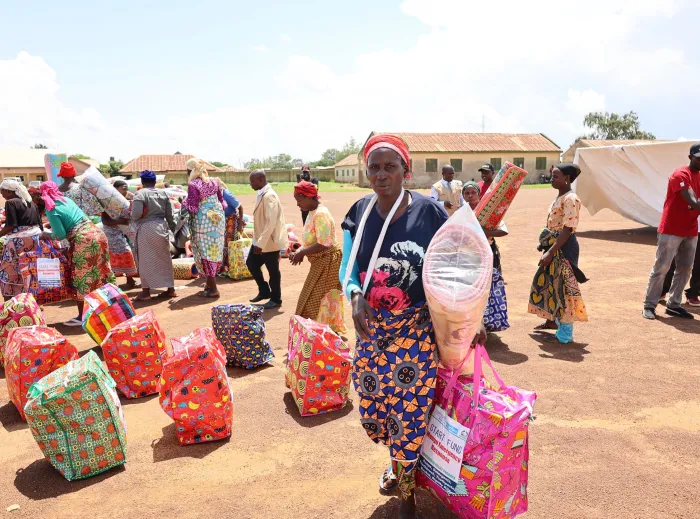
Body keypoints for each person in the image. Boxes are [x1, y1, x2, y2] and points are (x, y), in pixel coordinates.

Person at [340, 134, 479, 519]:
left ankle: (406, 495)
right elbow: (347, 266)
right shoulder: (360, 212)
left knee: (409, 414)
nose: (381, 175)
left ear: (407, 171)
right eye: (374, 168)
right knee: (375, 411)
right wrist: (354, 295)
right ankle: (401, 463)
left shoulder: (430, 213)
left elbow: (455, 265)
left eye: (390, 167)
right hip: (371, 332)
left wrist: (467, 315)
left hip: (413, 332)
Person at [39, 181, 115, 325]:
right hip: (97, 234)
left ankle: (82, 317)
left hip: (84, 240)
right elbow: (72, 218)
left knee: (82, 277)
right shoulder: (66, 199)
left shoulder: (50, 208)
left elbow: (60, 235)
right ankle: (109, 308)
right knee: (102, 273)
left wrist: (45, 234)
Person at [528, 163, 588, 343]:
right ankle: (552, 320)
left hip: (564, 247)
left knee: (564, 287)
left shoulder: (571, 199)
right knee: (550, 283)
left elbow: (567, 229)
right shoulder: (560, 197)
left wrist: (551, 252)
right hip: (554, 245)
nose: (552, 179)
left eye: (556, 176)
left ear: (567, 179)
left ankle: (566, 330)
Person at [642, 143, 700, 319]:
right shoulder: (680, 175)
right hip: (671, 229)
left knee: (685, 268)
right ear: (690, 158)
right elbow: (692, 201)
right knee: (662, 267)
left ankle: (674, 304)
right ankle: (649, 305)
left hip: (691, 229)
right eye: (699, 158)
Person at [290, 181, 346, 335]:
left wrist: (302, 253)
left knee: (319, 300)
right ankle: (322, 332)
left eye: (299, 200)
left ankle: (322, 334)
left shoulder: (321, 214)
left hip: (328, 261)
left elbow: (325, 243)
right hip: (320, 261)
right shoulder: (312, 212)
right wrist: (300, 249)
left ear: (307, 197)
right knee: (314, 298)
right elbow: (313, 239)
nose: (297, 204)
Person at [462, 181, 509, 331]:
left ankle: (487, 321)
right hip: (467, 257)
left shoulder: (489, 212)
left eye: (473, 193)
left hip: (486, 254)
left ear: (479, 194)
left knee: (487, 287)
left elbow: (503, 231)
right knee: (470, 289)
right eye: (467, 193)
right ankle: (473, 323)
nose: (470, 196)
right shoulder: (460, 213)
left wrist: (481, 231)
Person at [131, 170, 177, 301]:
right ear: (155, 182)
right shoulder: (163, 194)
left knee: (145, 260)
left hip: (146, 228)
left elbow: (136, 215)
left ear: (142, 182)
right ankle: (170, 289)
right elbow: (170, 216)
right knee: (165, 258)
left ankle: (146, 292)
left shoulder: (140, 194)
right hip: (162, 227)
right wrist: (174, 231)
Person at [183, 158, 226, 298]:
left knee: (204, 253)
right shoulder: (214, 181)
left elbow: (193, 207)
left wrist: (183, 202)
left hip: (203, 222)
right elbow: (222, 202)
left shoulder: (193, 184)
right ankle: (208, 285)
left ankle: (213, 288)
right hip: (218, 221)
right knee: (214, 250)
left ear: (190, 170)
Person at [0, 179, 48, 299]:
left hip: (18, 243)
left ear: (8, 191)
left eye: (2, 192)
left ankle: (11, 304)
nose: (1, 195)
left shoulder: (11, 202)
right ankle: (30, 301)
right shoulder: (31, 203)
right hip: (34, 241)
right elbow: (39, 223)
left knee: (9, 272)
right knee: (28, 272)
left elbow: (11, 225)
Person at [247, 170, 287, 310]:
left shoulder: (269, 196)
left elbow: (271, 222)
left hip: (269, 241)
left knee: (273, 271)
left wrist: (261, 243)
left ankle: (276, 299)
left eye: (252, 181)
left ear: (261, 179)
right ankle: (264, 290)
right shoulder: (262, 193)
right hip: (260, 240)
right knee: (251, 263)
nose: (250, 183)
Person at [102, 180, 138, 288]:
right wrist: (119, 222)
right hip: (112, 233)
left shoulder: (128, 201)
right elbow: (105, 221)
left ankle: (130, 279)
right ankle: (113, 282)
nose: (125, 187)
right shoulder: (108, 202)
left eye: (126, 186)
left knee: (129, 253)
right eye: (123, 186)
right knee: (123, 253)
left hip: (126, 232)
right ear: (115, 189)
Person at [215, 178, 244, 277]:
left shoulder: (226, 194)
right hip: (222, 221)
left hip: (231, 221)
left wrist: (240, 224)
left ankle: (230, 266)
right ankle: (223, 267)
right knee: (222, 244)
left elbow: (240, 207)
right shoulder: (216, 195)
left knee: (230, 244)